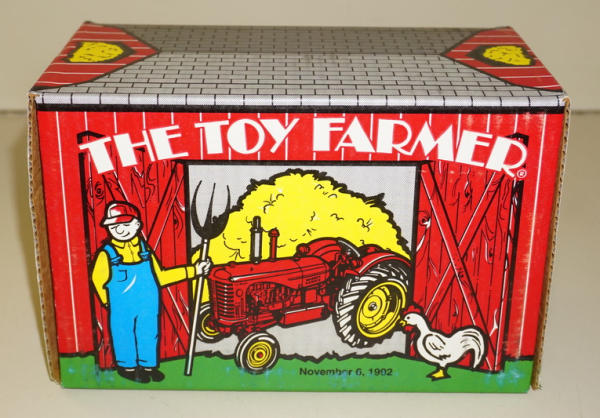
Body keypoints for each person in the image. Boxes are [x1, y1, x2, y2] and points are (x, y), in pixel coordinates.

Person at [91, 201, 211, 383]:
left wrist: (195, 270)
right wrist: (107, 301)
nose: (120, 230)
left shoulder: (144, 250)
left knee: (148, 332)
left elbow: (161, 276)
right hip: (122, 307)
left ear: (136, 225)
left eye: (125, 224)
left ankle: (149, 366)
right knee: (124, 334)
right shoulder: (107, 254)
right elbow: (97, 280)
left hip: (148, 304)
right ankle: (128, 368)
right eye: (114, 226)